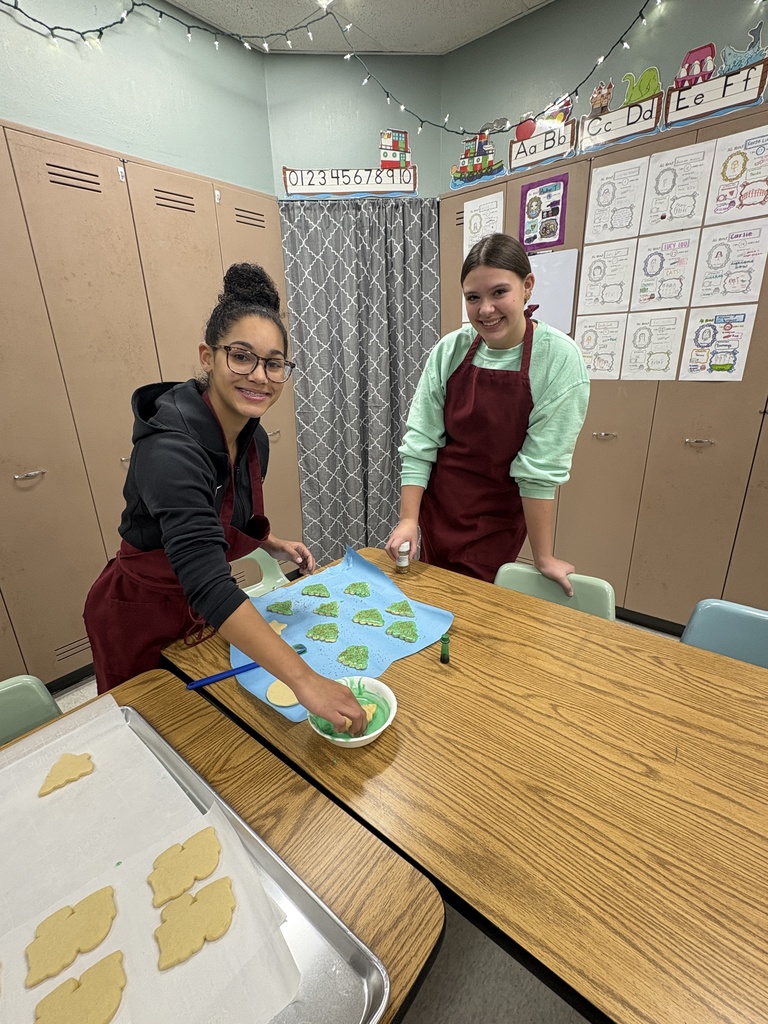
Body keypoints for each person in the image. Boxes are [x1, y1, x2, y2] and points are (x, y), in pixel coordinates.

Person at [84, 263, 367, 735]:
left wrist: (268, 542)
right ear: (207, 357)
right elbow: (206, 578)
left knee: (210, 734)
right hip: (139, 615)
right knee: (150, 735)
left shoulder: (255, 439)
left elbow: (216, 514)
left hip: (203, 616)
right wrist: (304, 680)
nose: (259, 376)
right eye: (242, 357)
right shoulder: (168, 448)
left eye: (274, 363)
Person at [385, 233, 589, 595]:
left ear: (527, 286)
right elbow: (420, 442)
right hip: (440, 506)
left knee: (473, 605)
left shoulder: (558, 359)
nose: (485, 310)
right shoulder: (451, 350)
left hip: (498, 514)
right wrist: (408, 520)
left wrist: (543, 557)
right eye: (473, 297)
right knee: (428, 595)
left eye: (499, 292)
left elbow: (540, 469)